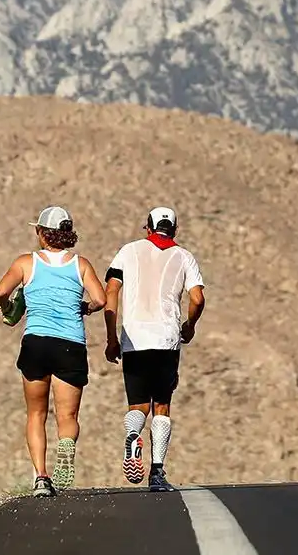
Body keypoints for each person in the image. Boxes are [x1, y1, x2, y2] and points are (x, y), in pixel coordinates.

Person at [0, 205, 106, 497]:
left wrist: (9, 310)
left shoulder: (26, 263)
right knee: (67, 417)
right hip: (70, 343)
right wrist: (85, 308)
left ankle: (41, 477)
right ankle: (66, 445)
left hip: (36, 342)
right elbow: (101, 299)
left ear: (42, 234)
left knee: (36, 414)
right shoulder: (81, 265)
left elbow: (1, 291)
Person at [103, 205, 204, 492]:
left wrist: (112, 337)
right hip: (166, 340)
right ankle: (157, 473)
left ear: (147, 227)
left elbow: (111, 290)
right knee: (161, 404)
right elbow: (197, 297)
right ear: (175, 229)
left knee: (137, 404)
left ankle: (133, 432)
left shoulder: (128, 251)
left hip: (134, 339)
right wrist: (190, 325)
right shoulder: (184, 257)